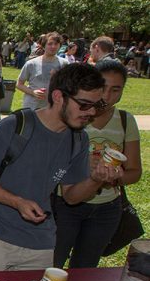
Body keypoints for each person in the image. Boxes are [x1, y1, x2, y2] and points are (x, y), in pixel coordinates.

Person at [0, 63, 117, 271]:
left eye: (96, 105)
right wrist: (17, 202)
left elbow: (71, 196)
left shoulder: (79, 139)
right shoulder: (14, 126)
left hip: (41, 244)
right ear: (58, 97)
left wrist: (95, 180)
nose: (91, 112)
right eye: (84, 104)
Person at [53, 59, 142, 268]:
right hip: (66, 205)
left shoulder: (125, 120)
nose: (107, 96)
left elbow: (135, 172)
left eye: (116, 90)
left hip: (106, 209)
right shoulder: (75, 117)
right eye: (103, 87)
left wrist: (112, 175)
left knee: (85, 269)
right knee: (51, 264)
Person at [16, 32, 65, 110]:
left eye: (56, 44)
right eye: (50, 44)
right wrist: (33, 92)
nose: (53, 46)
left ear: (60, 46)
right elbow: (19, 84)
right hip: (32, 107)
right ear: (44, 46)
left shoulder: (64, 64)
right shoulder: (31, 63)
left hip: (53, 108)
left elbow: (69, 85)